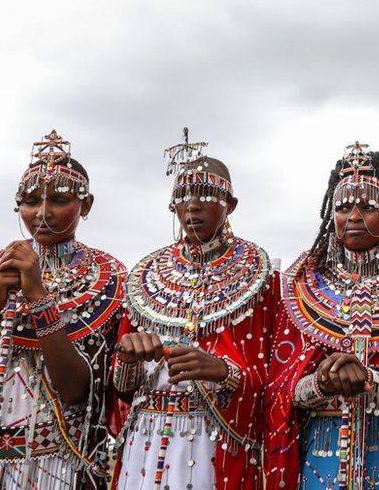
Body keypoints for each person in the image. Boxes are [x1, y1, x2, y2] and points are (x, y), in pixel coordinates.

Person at [265, 142, 379, 489]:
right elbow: (280, 392)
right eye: (343, 206)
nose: (353, 216)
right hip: (322, 458)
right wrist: (321, 384)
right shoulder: (302, 282)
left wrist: (372, 381)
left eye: (368, 206)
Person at [111, 130, 276, 489]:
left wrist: (223, 372)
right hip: (146, 435)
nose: (193, 206)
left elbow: (276, 379)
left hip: (213, 437)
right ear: (173, 207)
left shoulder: (261, 276)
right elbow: (123, 390)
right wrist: (128, 360)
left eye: (205, 195)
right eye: (183, 197)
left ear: (229, 204)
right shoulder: (145, 276)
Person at [0, 130, 125, 488]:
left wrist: (39, 298)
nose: (43, 213)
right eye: (31, 201)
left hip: (57, 464)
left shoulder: (108, 281)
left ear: (87, 205)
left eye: (60, 199)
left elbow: (77, 392)